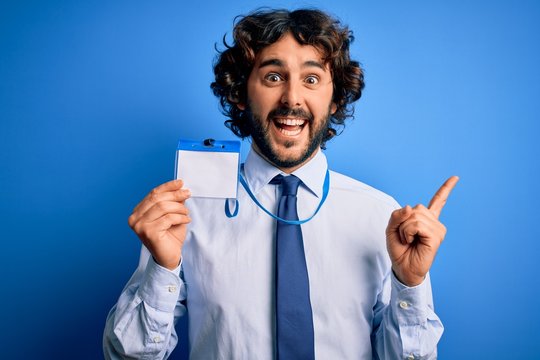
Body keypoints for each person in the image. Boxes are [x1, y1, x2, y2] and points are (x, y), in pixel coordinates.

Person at [103, 8, 458, 360]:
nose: (291, 98)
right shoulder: (187, 214)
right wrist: (162, 268)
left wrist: (409, 284)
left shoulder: (380, 216)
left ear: (335, 100)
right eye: (273, 77)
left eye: (312, 79)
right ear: (241, 93)